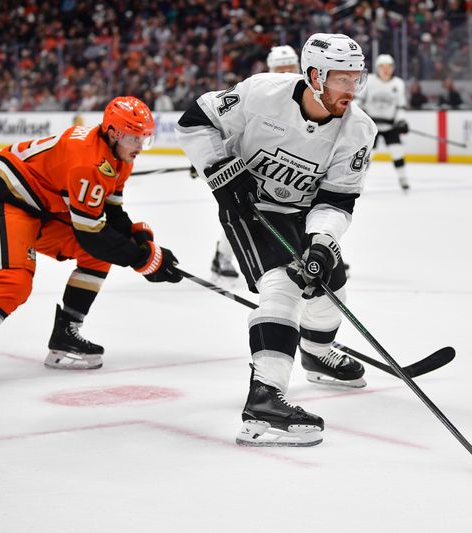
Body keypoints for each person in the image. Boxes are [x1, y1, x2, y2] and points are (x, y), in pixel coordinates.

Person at [176, 33, 376, 447]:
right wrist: (221, 173)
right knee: (283, 285)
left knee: (328, 284)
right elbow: (195, 121)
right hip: (249, 209)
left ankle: (317, 351)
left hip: (300, 215)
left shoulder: (358, 130)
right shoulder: (262, 92)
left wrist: (322, 242)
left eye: (357, 78)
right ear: (315, 75)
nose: (352, 89)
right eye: (343, 79)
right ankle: (264, 402)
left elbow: (337, 200)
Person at [0, 97, 183, 390]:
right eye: (136, 138)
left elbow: (112, 215)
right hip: (6, 200)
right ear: (113, 133)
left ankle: (65, 335)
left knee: (96, 256)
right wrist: (142, 261)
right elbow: (92, 234)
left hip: (41, 209)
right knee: (14, 281)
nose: (140, 147)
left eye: (145, 139)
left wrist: (145, 245)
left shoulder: (120, 160)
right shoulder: (88, 160)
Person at [208, 45, 301, 278]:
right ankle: (222, 256)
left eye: (290, 68)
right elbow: (227, 127)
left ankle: (312, 253)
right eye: (280, 69)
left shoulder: (305, 97)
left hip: (285, 167)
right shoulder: (258, 92)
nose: (286, 74)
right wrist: (212, 158)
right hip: (254, 166)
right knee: (244, 213)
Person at [357, 54, 410, 190]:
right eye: (382, 67)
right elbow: (358, 101)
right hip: (371, 126)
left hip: (390, 126)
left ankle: (403, 179)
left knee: (397, 152)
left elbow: (400, 106)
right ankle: (358, 182)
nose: (386, 70)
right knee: (367, 156)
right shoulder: (369, 81)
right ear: (377, 68)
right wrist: (359, 116)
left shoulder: (398, 84)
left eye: (389, 67)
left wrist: (401, 121)